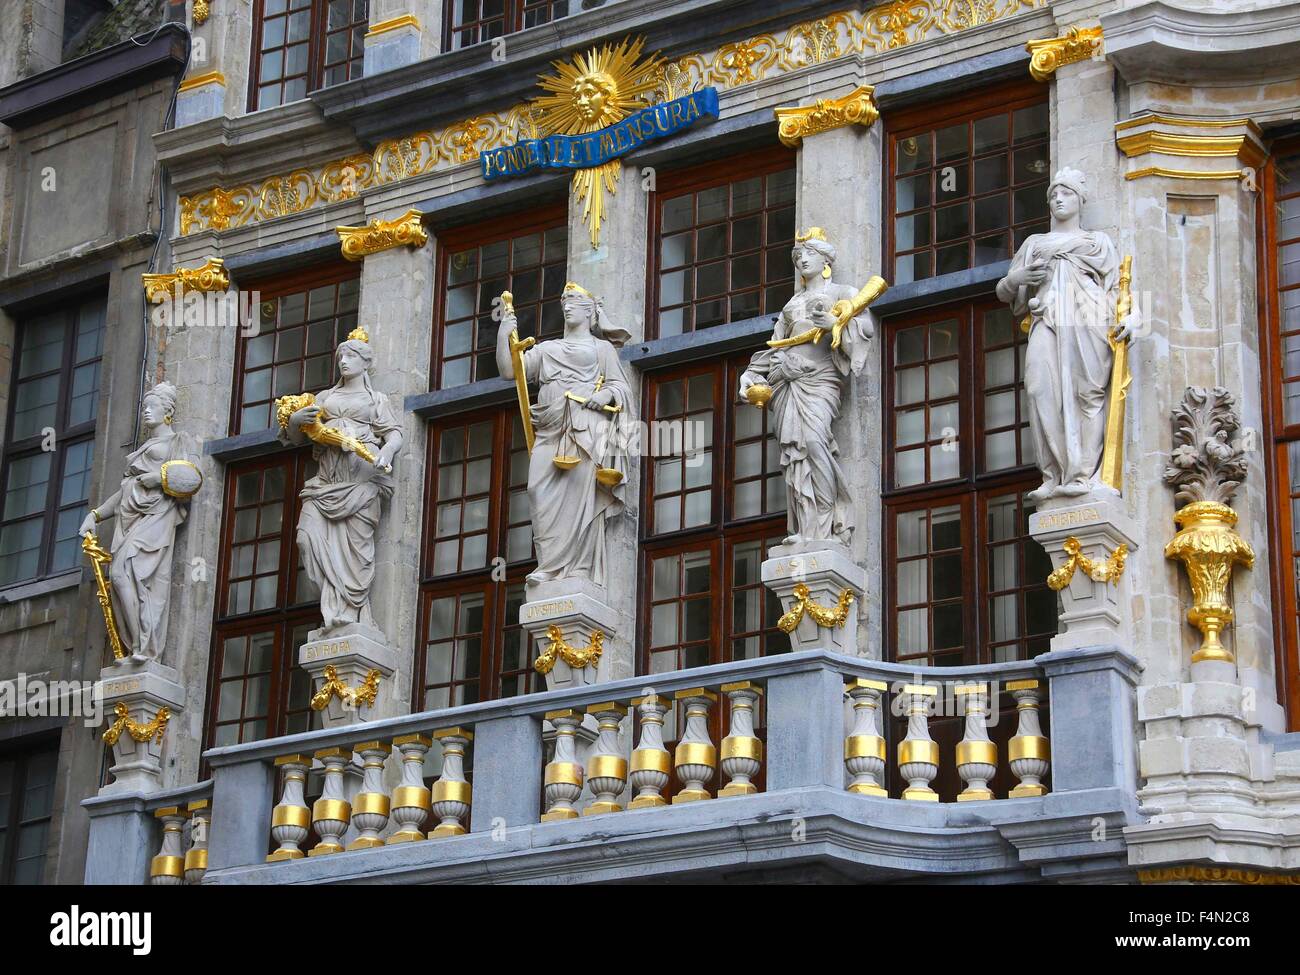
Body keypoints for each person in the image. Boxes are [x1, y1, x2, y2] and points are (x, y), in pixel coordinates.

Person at [996, 167, 1137, 500]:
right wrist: (1021, 278)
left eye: (1066, 193)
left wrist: (1133, 318)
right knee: (1038, 388)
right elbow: (1004, 291)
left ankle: (1082, 474)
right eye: (1053, 195)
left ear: (1080, 199)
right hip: (1046, 321)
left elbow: (1118, 288)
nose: (1058, 199)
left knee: (1088, 395)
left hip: (1089, 321)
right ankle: (1052, 474)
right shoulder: (1035, 244)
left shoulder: (1097, 243)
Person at [738, 228, 874, 546]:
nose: (802, 260)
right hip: (787, 383)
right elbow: (776, 345)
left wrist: (836, 325)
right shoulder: (791, 305)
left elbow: (863, 326)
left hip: (820, 380)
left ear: (825, 259)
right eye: (798, 256)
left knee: (813, 442)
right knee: (794, 452)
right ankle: (805, 525)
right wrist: (752, 375)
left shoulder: (842, 292)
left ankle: (827, 521)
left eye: (809, 253)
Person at [496, 282, 632, 585]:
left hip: (587, 430)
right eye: (564, 301)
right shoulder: (547, 349)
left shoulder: (602, 349)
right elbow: (511, 372)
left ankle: (577, 569)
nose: (566, 305)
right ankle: (550, 563)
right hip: (550, 429)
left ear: (589, 310)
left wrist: (606, 396)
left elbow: (620, 386)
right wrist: (504, 334)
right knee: (537, 490)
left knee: (581, 500)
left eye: (572, 300)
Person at [281, 327, 403, 634]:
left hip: (360, 481)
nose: (343, 362)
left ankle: (350, 611)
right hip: (325, 483)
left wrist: (386, 452)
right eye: (340, 357)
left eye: (350, 356)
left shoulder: (376, 400)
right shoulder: (325, 397)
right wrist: (295, 421)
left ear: (365, 362)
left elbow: (394, 434)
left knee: (357, 552)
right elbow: (296, 437)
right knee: (305, 539)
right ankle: (331, 603)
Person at [79, 382, 201, 659]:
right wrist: (95, 515)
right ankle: (136, 643)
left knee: (124, 572)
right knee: (120, 576)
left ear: (168, 410)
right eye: (144, 406)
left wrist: (160, 478)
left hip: (158, 515)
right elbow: (124, 491)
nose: (146, 411)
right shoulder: (144, 448)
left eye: (152, 406)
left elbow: (192, 479)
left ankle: (144, 644)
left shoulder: (178, 441)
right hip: (130, 518)